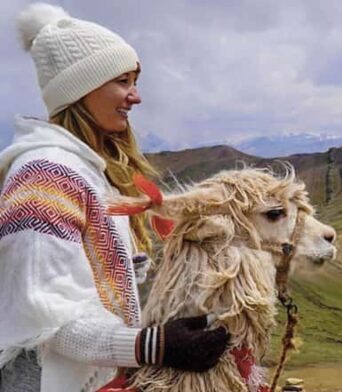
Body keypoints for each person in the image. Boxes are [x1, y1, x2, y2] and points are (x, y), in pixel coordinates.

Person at [0, 3, 229, 391]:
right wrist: (152, 345)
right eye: (122, 81)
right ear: (82, 90)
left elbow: (94, 285)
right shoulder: (46, 177)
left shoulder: (90, 173)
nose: (135, 97)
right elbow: (45, 315)